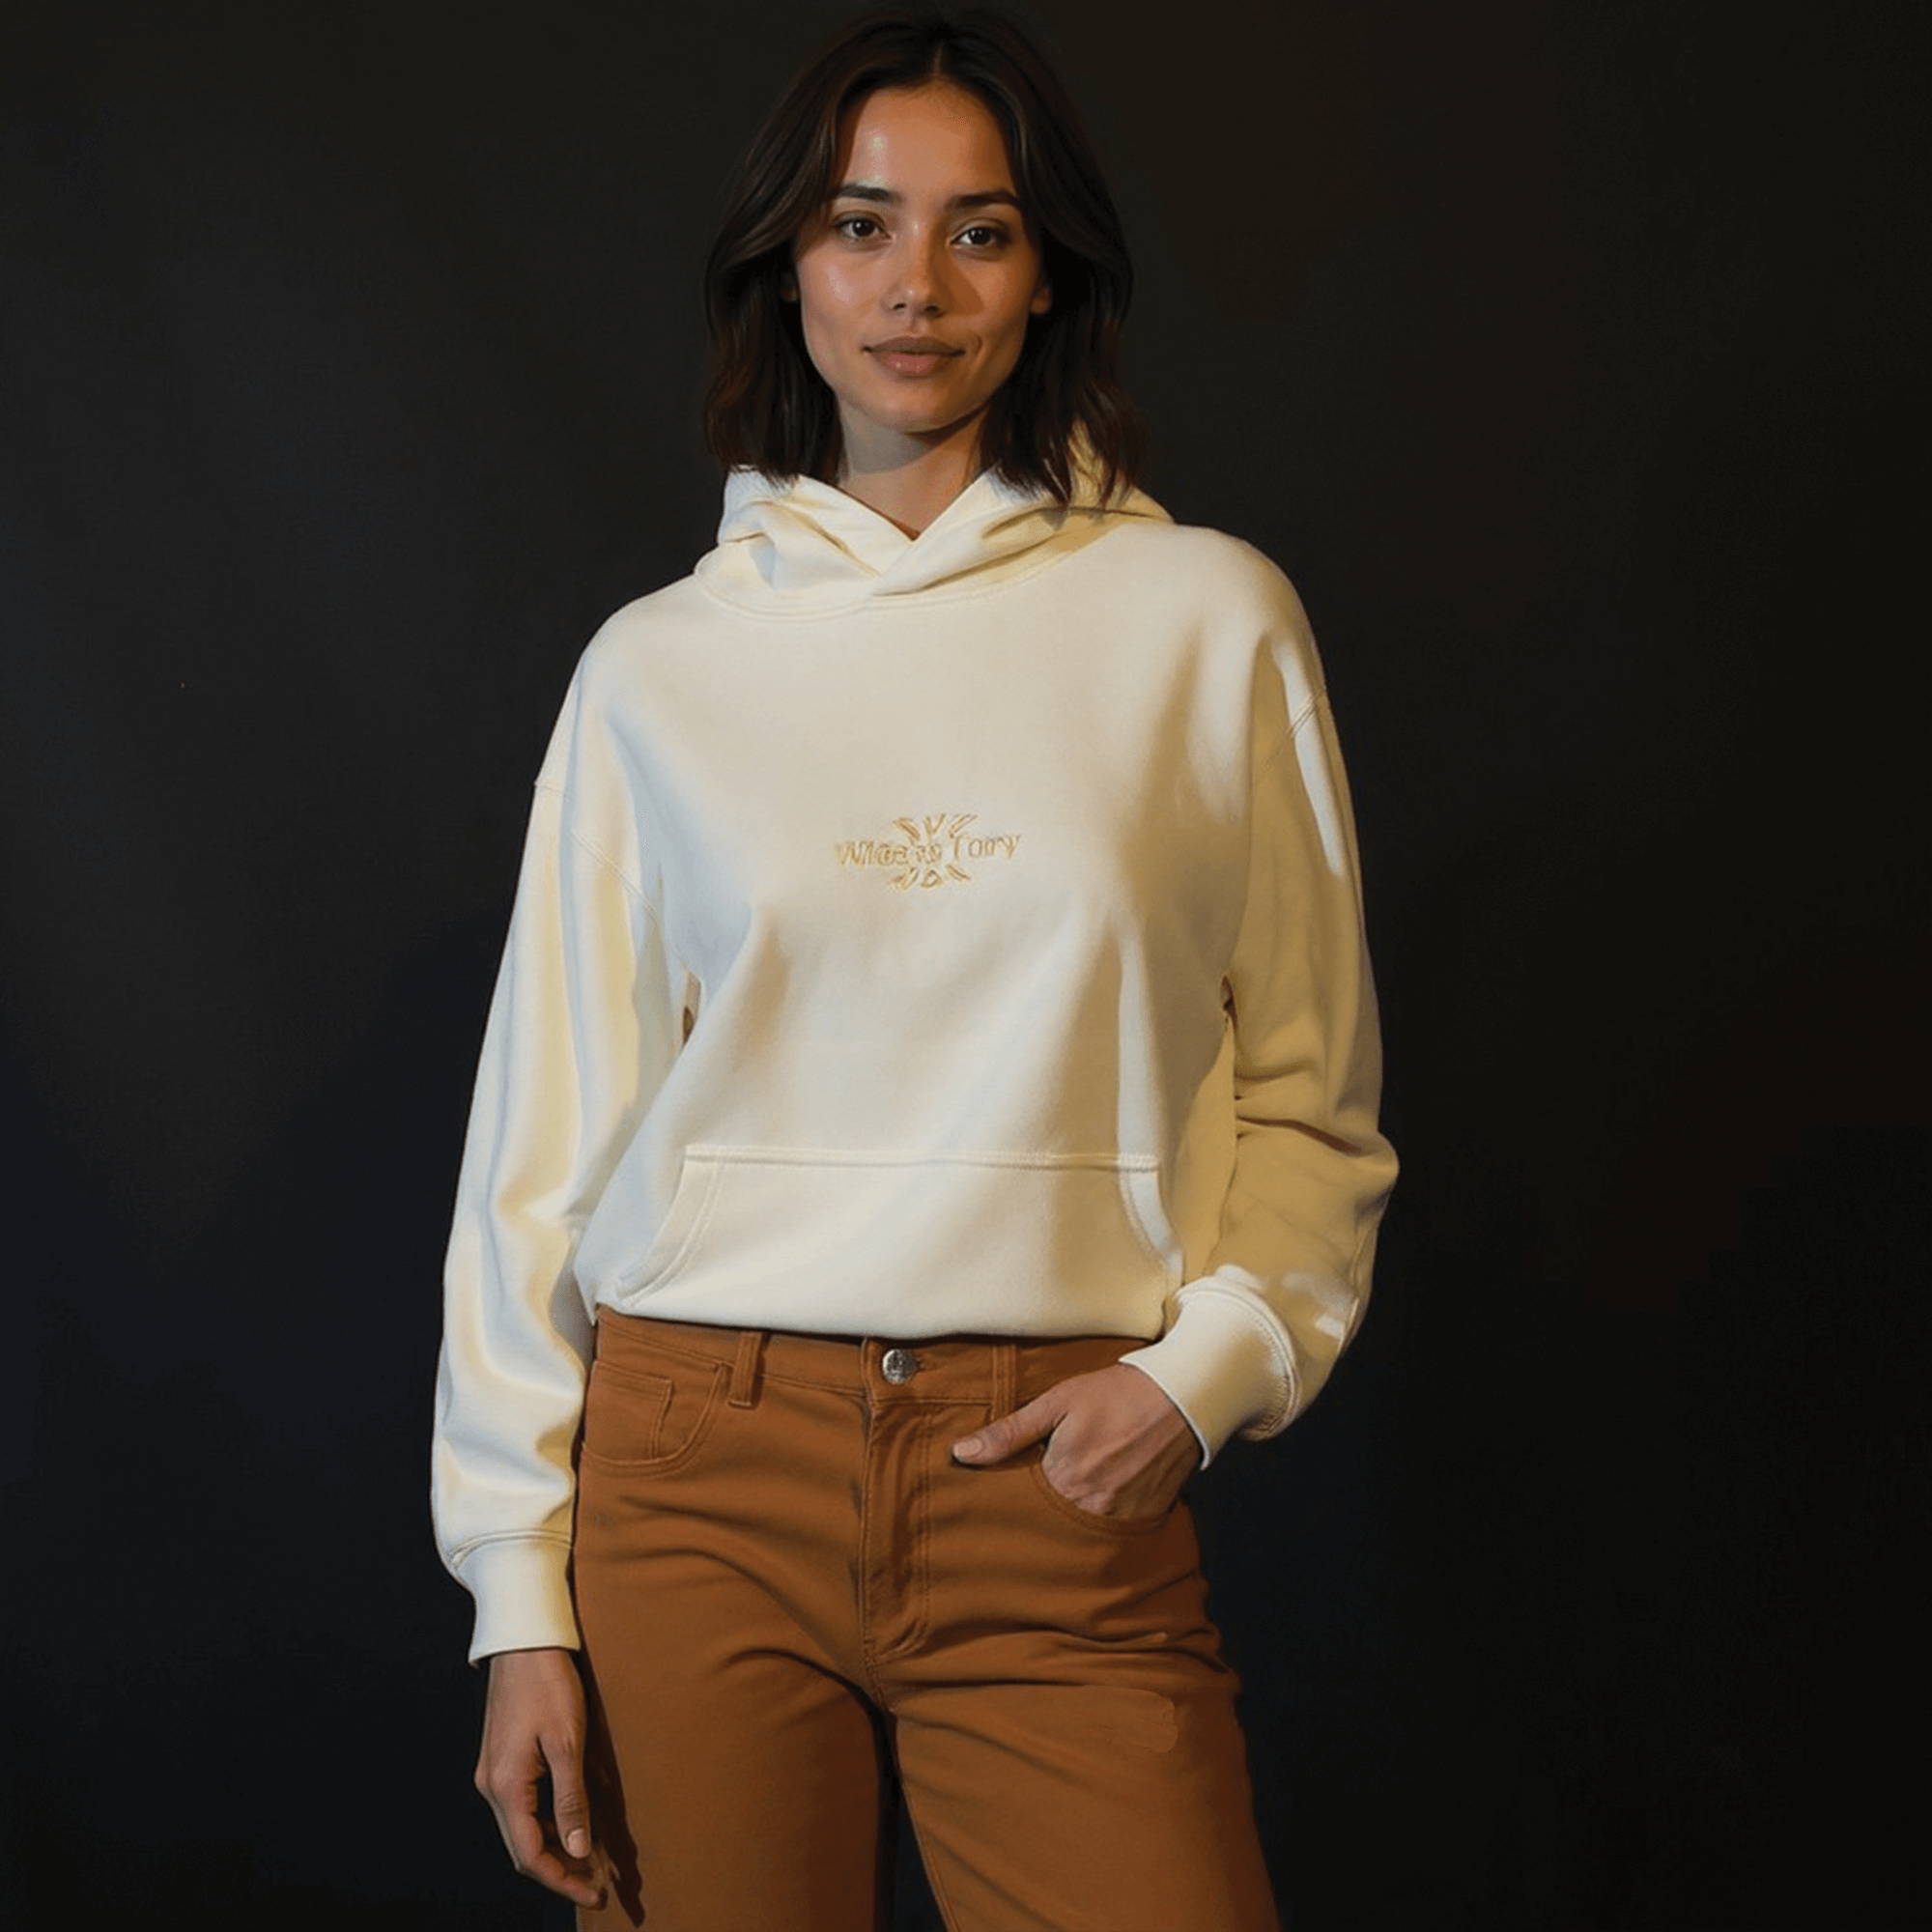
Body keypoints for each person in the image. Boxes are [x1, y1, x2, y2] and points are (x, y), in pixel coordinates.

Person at [432, 9, 1396, 1928]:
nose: (916, 288)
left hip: (1057, 1478)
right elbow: (536, 1158)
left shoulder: (1208, 621)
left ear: (1047, 278)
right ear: (787, 263)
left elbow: (1313, 1098)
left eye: (980, 231)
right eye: (861, 224)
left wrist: (1204, 1372)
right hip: (696, 1475)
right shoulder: (659, 670)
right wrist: (517, 1595)